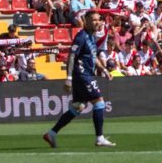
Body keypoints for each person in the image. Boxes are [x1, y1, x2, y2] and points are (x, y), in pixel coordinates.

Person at [43, 12, 115, 148]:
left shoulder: (91, 37)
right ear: (86, 21)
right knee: (99, 103)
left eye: (98, 20)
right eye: (92, 20)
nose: (96, 22)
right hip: (82, 75)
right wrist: (68, 78)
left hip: (86, 75)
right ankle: (99, 138)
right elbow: (71, 56)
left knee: (78, 107)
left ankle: (51, 133)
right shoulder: (81, 37)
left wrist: (104, 70)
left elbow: (93, 57)